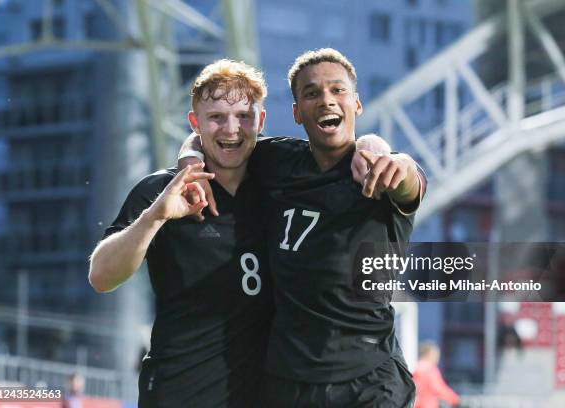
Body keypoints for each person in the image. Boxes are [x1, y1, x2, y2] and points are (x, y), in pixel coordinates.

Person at [179, 48, 425, 407]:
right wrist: (190, 160)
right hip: (287, 382)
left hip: (369, 382)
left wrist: (397, 163)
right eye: (312, 93)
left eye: (337, 90)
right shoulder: (275, 160)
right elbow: (207, 138)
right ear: (296, 112)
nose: (326, 100)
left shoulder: (378, 170)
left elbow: (410, 183)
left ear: (356, 104)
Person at [88, 60, 273, 407]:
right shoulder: (160, 191)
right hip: (180, 394)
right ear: (195, 123)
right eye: (216, 116)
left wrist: (376, 147)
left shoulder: (281, 185)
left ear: (260, 121)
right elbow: (100, 276)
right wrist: (156, 215)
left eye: (244, 116)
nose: (231, 128)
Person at [412, 342, 460, 408]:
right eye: (435, 355)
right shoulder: (430, 369)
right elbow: (439, 388)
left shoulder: (416, 368)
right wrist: (455, 399)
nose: (437, 358)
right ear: (429, 354)